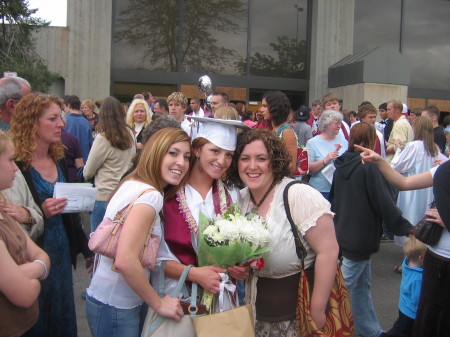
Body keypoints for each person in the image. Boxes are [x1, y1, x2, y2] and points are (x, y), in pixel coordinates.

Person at [226, 128, 339, 336]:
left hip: (297, 316)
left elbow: (329, 252)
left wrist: (317, 310)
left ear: (275, 161)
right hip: (254, 316)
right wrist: (237, 268)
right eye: (245, 158)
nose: (252, 166)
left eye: (261, 158)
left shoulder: (298, 194)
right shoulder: (240, 201)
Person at [85, 128, 189, 337]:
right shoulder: (151, 196)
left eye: (187, 157)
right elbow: (125, 260)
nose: (181, 163)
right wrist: (159, 303)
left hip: (105, 298)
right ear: (155, 152)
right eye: (173, 153)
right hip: (117, 306)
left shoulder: (133, 182)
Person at [9, 93, 93, 337]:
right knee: (37, 321)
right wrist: (41, 213)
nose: (62, 124)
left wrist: (84, 248)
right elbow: (12, 220)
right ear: (32, 122)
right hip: (32, 257)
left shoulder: (55, 159)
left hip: (61, 254)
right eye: (53, 118)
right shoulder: (16, 165)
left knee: (62, 318)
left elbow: (68, 212)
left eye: (61, 117)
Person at [354, 146, 450, 337]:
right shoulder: (445, 168)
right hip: (435, 258)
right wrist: (380, 161)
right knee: (430, 319)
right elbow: (403, 182)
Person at [157, 117, 249, 310]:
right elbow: (156, 260)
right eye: (215, 151)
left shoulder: (232, 196)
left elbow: (238, 252)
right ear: (197, 150)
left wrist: (240, 268)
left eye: (229, 155)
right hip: (178, 297)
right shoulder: (167, 196)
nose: (222, 161)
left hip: (221, 298)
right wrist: (196, 274)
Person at [330, 122, 412, 337]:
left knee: (359, 288)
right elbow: (383, 202)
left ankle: (369, 331)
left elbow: (333, 201)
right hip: (362, 235)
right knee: (341, 291)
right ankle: (325, 330)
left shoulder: (341, 166)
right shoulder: (369, 166)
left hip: (343, 232)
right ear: (371, 141)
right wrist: (406, 227)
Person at [0, 131, 51, 337]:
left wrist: (18, 273)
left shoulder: (4, 207)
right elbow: (25, 295)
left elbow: (43, 256)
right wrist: (39, 272)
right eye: (11, 160)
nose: (15, 167)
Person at [84, 96, 136, 233]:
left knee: (99, 244)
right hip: (124, 196)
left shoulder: (103, 138)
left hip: (104, 197)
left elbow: (87, 172)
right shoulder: (130, 134)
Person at [391, 116, 440, 248]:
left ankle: (410, 255)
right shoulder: (434, 147)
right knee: (422, 219)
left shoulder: (413, 146)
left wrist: (399, 150)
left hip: (412, 187)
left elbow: (397, 166)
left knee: (410, 219)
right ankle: (420, 251)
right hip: (428, 188)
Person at [381, 236, 427, 337]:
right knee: (401, 332)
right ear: (421, 257)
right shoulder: (418, 278)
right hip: (411, 313)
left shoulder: (406, 264)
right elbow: (417, 300)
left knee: (399, 327)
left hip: (403, 307)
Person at [306, 110, 348, 199]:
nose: (339, 126)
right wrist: (325, 160)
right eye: (336, 123)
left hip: (339, 190)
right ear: (326, 124)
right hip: (320, 190)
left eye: (340, 123)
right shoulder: (312, 143)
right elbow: (308, 169)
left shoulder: (344, 142)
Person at [260, 91, 298, 174]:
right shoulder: (272, 129)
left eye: (265, 106)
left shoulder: (286, 132)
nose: (261, 110)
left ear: (275, 107)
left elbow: (291, 166)